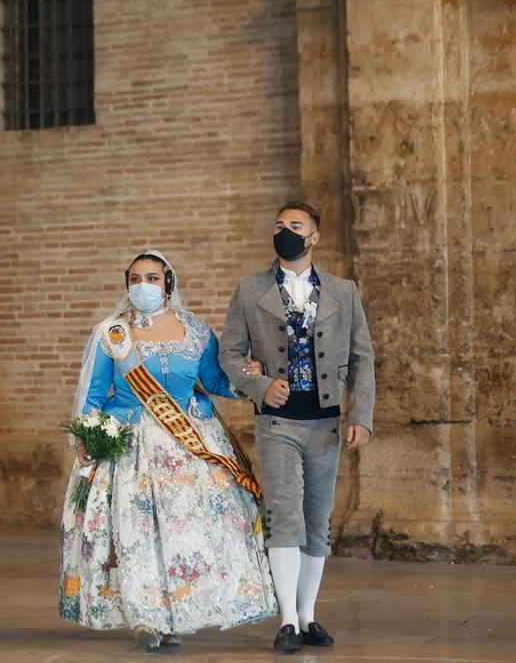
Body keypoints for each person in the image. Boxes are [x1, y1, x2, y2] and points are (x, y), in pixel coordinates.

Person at [60, 250, 277, 650]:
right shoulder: (112, 333)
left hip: (191, 446)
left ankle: (183, 610)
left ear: (168, 283)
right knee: (136, 534)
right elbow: (93, 394)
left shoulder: (195, 331)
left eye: (153, 278)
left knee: (188, 532)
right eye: (136, 278)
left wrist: (248, 380)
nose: (143, 285)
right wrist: (84, 438)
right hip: (131, 449)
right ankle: (146, 617)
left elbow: (215, 381)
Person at [218, 201, 375, 653]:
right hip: (278, 422)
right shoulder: (251, 290)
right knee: (284, 515)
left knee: (317, 519)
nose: (285, 231)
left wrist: (361, 415)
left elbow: (363, 358)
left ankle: (308, 616)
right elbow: (229, 354)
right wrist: (261, 386)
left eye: (295, 225)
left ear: (314, 237)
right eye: (279, 225)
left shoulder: (344, 291)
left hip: (326, 422)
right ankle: (286, 618)